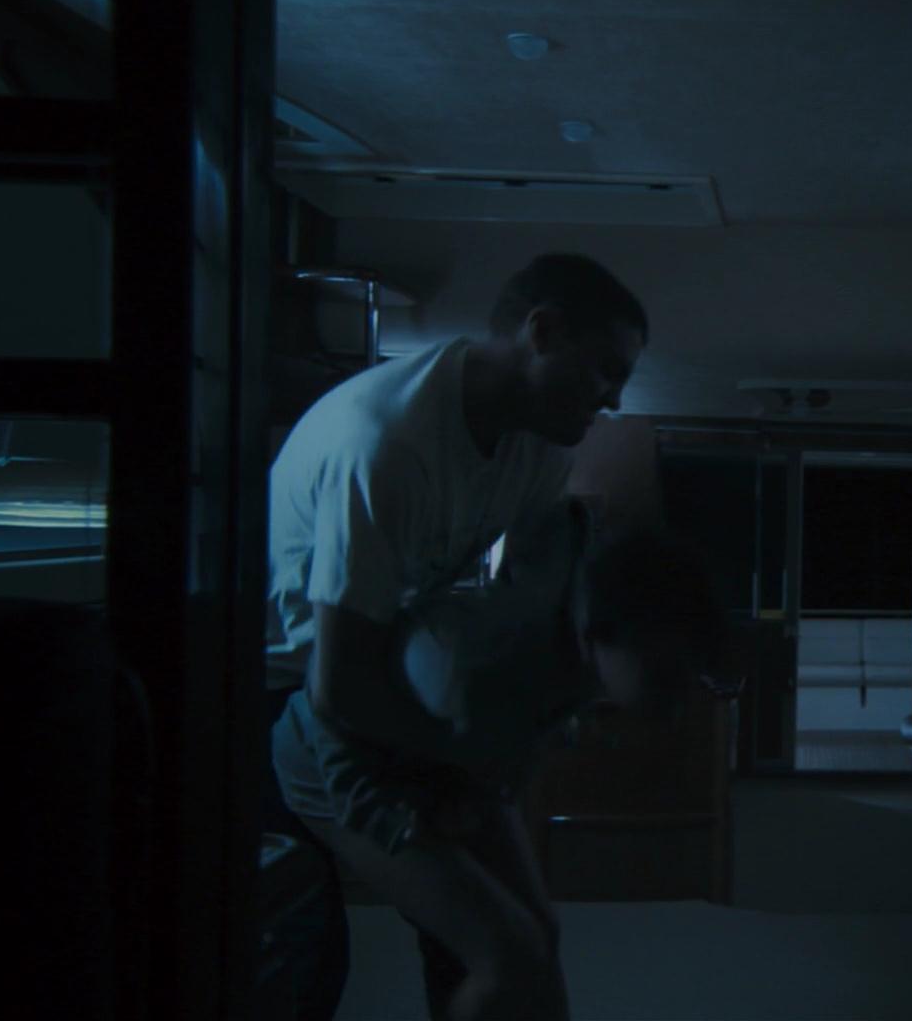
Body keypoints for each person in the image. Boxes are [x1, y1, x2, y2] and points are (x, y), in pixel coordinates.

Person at [260, 252, 648, 1020]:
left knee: (527, 934)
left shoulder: (541, 447)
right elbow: (338, 686)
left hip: (385, 675)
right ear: (542, 332)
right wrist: (464, 755)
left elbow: (527, 611)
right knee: (305, 953)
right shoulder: (387, 443)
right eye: (606, 369)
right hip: (290, 690)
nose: (613, 399)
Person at [273, 511, 726, 1020]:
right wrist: (402, 819)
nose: (677, 701)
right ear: (600, 634)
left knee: (538, 933)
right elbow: (340, 720)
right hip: (329, 760)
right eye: (665, 675)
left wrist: (472, 795)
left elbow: (498, 752)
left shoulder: (578, 646)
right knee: (508, 955)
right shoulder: (469, 666)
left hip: (444, 761)